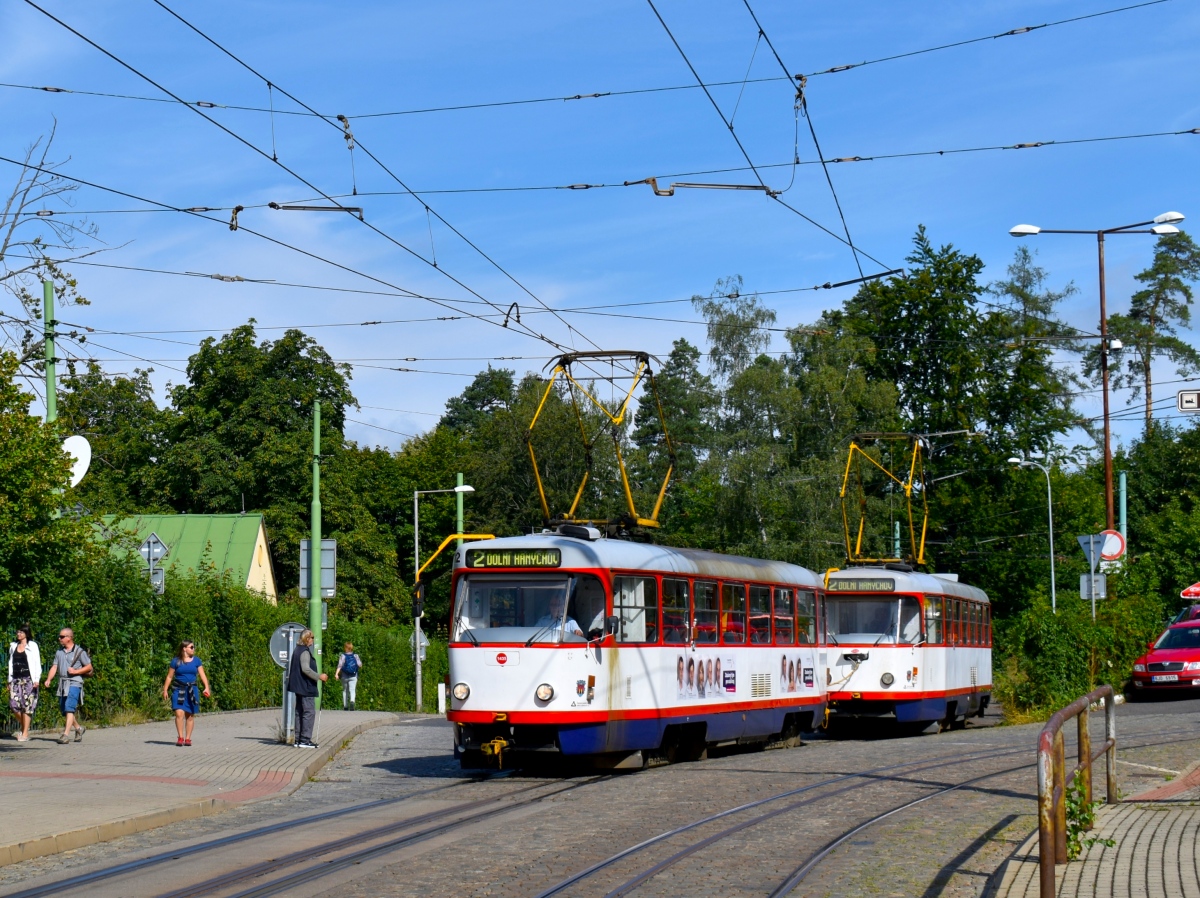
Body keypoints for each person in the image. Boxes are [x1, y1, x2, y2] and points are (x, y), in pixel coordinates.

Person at [43, 627, 91, 744]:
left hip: (75, 682)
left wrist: (76, 671)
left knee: (69, 707)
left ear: (69, 638)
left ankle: (65, 735)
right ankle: (79, 729)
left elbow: (89, 667)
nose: (59, 639)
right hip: (63, 682)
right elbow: (55, 666)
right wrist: (49, 679)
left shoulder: (79, 651)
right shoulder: (59, 652)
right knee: (64, 709)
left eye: (62, 637)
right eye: (59, 636)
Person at [162, 641, 211, 747]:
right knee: (179, 713)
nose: (193, 649)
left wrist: (206, 687)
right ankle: (180, 737)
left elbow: (202, 675)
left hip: (192, 690)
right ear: (184, 648)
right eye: (191, 647)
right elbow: (169, 676)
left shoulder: (197, 661)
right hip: (178, 689)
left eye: (193, 647)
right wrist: (165, 690)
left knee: (189, 715)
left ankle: (188, 738)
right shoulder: (176, 661)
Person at [287, 630, 327, 748]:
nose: (313, 640)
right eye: (312, 637)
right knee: (309, 712)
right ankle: (305, 740)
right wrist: (319, 676)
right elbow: (305, 669)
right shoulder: (304, 652)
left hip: (298, 686)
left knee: (299, 712)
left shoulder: (297, 650)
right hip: (306, 687)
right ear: (306, 639)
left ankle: (298, 739)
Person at [7, 625, 41, 742]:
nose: (19, 634)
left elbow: (37, 662)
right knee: (14, 705)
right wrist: (9, 680)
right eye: (18, 632)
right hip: (16, 679)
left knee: (27, 706)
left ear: (26, 633)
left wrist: (36, 679)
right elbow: (11, 663)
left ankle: (25, 733)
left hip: (28, 679)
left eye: (21, 632)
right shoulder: (13, 646)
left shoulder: (32, 646)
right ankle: (25, 726)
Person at [334, 642, 362, 710]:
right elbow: (360, 665)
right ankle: (352, 701)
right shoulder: (355, 656)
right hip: (353, 676)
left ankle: (345, 706)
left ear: (345, 648)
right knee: (352, 690)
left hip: (344, 676)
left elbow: (339, 666)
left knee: (345, 690)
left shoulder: (343, 656)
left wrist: (336, 674)